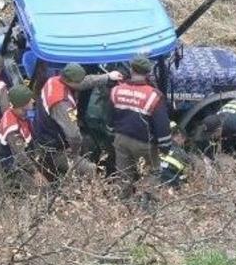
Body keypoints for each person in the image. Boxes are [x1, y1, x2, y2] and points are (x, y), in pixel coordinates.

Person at [34, 63, 122, 179]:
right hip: (54, 151)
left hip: (51, 138)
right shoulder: (62, 103)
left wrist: (108, 77)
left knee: (88, 146)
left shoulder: (55, 80)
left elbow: (84, 82)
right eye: (78, 82)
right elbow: (73, 135)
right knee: (91, 169)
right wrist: (75, 153)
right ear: (71, 81)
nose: (81, 83)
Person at [109, 56, 173, 191]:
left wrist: (111, 133)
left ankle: (123, 206)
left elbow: (110, 117)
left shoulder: (116, 90)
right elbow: (162, 125)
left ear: (131, 70)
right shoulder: (154, 96)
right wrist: (165, 147)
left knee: (124, 176)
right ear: (148, 73)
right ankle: (145, 206)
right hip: (144, 144)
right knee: (152, 175)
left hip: (120, 140)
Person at [0, 85, 48, 190]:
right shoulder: (12, 128)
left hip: (25, 159)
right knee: (42, 190)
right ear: (22, 105)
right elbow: (20, 155)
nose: (32, 101)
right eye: (29, 100)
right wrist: (35, 173)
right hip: (12, 167)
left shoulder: (19, 114)